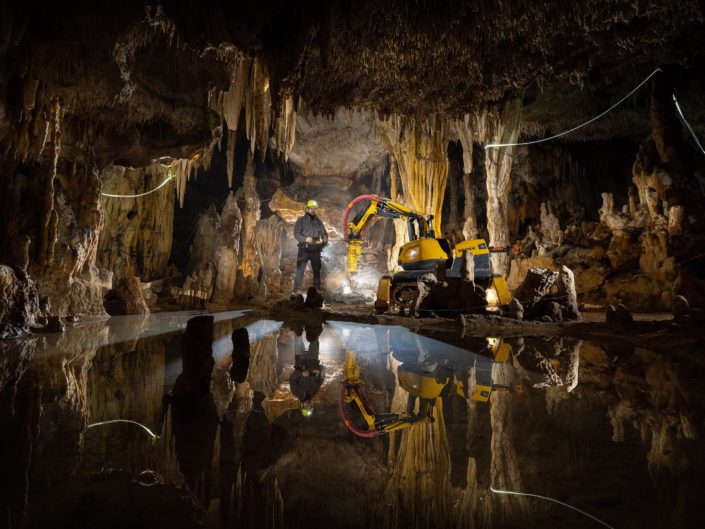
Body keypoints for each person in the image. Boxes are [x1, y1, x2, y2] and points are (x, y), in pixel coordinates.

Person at [289, 322, 325, 416]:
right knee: (314, 341)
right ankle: (313, 323)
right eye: (310, 406)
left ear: (302, 405)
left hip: (300, 363)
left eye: (306, 406)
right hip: (313, 362)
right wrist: (322, 371)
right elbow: (321, 379)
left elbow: (292, 379)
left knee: (298, 338)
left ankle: (297, 319)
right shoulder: (314, 391)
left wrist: (301, 374)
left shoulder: (296, 392)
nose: (308, 405)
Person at [293, 199, 328, 292]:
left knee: (316, 270)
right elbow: (296, 234)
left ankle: (316, 288)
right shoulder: (300, 221)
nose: (313, 210)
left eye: (314, 209)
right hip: (304, 249)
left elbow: (324, 233)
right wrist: (305, 239)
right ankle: (297, 289)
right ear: (307, 209)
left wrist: (324, 240)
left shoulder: (318, 221)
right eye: (311, 208)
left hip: (315, 249)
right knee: (300, 270)